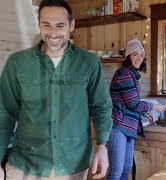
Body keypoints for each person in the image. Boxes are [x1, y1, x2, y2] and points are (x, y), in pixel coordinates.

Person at [0, 0, 113, 179]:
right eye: (47, 25)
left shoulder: (89, 63)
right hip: (25, 166)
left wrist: (102, 145)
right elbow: (4, 115)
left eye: (60, 25)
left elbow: (102, 107)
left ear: (72, 25)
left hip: (73, 166)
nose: (53, 33)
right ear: (39, 24)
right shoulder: (17, 63)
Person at [107, 38, 166, 180]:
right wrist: (155, 107)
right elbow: (134, 104)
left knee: (126, 169)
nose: (139, 58)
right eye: (135, 54)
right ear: (128, 56)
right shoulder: (124, 75)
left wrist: (146, 112)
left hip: (129, 127)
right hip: (119, 127)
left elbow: (131, 101)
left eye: (141, 54)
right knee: (116, 171)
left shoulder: (132, 74)